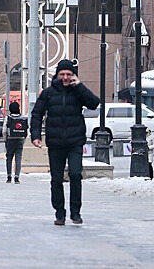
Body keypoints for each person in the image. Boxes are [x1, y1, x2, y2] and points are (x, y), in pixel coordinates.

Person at [30, 59, 100, 226]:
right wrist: (35, 135)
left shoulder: (78, 91)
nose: (66, 77)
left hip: (75, 141)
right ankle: (59, 213)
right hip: (55, 142)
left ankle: (76, 212)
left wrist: (80, 86)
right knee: (56, 179)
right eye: (62, 74)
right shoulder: (48, 93)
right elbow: (36, 114)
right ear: (57, 75)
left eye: (69, 74)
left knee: (75, 175)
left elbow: (94, 103)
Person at [3, 101, 26, 184]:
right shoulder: (22, 118)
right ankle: (17, 177)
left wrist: (5, 139)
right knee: (18, 158)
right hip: (20, 139)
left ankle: (9, 176)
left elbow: (4, 130)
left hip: (10, 139)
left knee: (9, 158)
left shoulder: (8, 118)